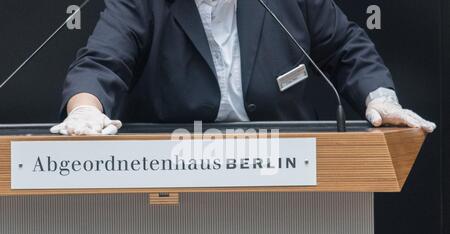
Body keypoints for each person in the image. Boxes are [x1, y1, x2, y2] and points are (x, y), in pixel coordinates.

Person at [51, 0, 436, 136]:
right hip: (177, 165)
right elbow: (102, 62)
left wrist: (380, 96)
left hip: (288, 168)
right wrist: (85, 108)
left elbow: (346, 46)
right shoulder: (142, 3)